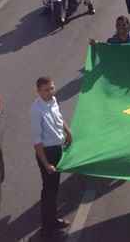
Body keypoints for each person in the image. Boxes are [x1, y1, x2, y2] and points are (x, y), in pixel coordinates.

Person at [31, 77, 72, 238]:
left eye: (52, 88)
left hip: (58, 149)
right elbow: (37, 141)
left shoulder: (53, 100)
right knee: (48, 191)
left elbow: (59, 118)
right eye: (46, 89)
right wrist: (46, 164)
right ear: (38, 91)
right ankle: (46, 228)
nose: (50, 92)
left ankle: (53, 220)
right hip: (47, 153)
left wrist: (68, 132)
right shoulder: (36, 110)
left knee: (54, 189)